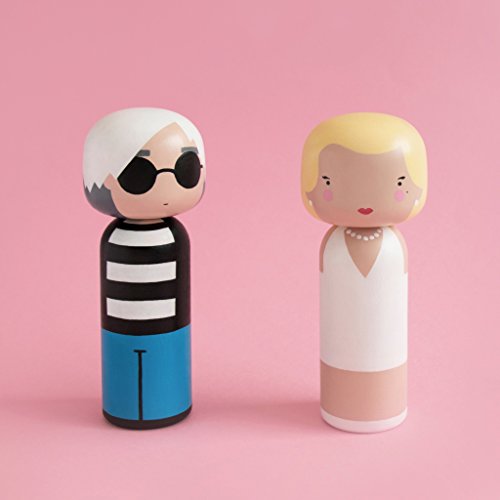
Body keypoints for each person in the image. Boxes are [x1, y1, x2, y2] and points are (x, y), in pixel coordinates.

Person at [301, 113, 427, 432]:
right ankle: (347, 405)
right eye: (330, 182)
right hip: (338, 362)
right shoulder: (333, 244)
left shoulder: (394, 245)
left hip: (388, 362)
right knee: (344, 345)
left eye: (398, 183)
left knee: (382, 343)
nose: (365, 203)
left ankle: (382, 406)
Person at [83, 108, 205, 429]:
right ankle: (128, 409)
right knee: (126, 380)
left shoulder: (174, 236)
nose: (166, 184)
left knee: (165, 376)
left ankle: (169, 404)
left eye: (184, 170)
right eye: (140, 174)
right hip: (119, 329)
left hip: (171, 329)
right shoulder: (115, 238)